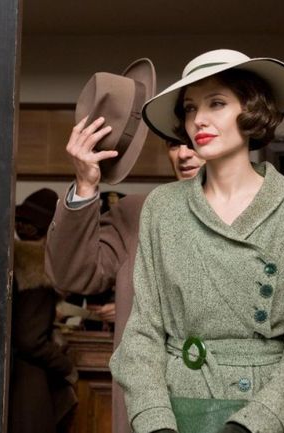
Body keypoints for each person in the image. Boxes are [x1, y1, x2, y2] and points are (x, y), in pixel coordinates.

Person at [107, 49, 284, 433]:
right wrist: (154, 421)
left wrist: (253, 424)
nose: (199, 119)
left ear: (253, 111)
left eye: (216, 103)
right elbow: (142, 333)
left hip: (263, 418)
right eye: (190, 108)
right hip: (175, 412)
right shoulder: (162, 208)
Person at [44, 58, 205, 433]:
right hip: (148, 412)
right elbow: (70, 275)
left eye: (193, 143)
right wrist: (85, 186)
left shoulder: (272, 212)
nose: (183, 154)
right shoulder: (136, 213)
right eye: (174, 144)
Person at [9, 188, 78, 433]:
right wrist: (66, 366)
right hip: (29, 385)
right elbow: (30, 340)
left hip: (12, 379)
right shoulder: (37, 268)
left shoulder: (10, 260)